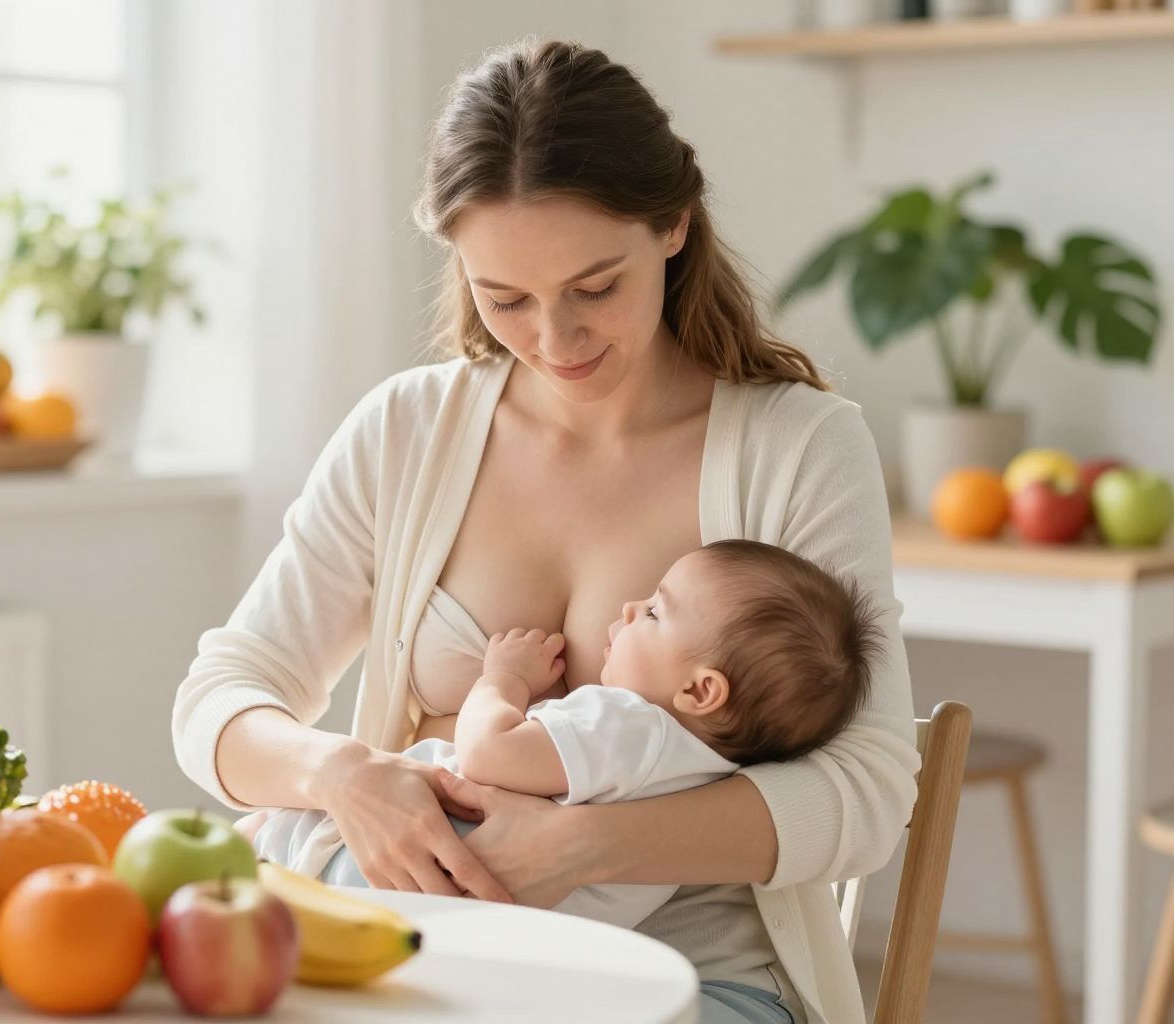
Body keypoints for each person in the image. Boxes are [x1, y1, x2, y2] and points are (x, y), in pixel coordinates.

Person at [172, 37, 918, 1024]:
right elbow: (222, 696)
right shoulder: (406, 432)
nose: (554, 341)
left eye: (594, 288)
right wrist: (341, 774)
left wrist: (588, 848)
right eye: (506, 299)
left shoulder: (800, 447)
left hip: (698, 979)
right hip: (419, 962)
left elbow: (866, 794)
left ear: (673, 226)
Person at [241, 540, 879, 936]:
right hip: (499, 932)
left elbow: (488, 753)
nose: (630, 609)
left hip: (416, 872)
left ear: (700, 690)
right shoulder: (707, 773)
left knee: (258, 849)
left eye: (655, 612)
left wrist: (503, 681)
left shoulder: (628, 723)